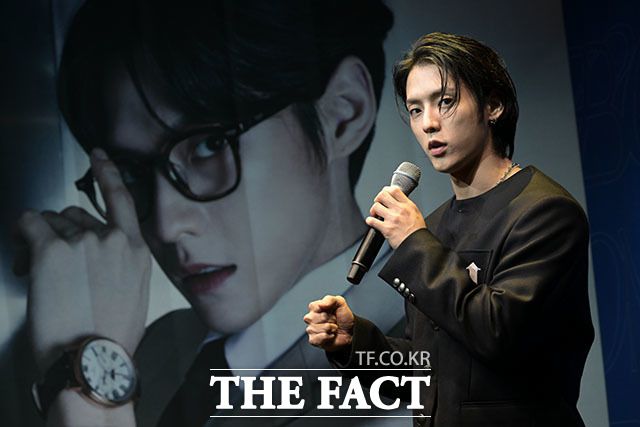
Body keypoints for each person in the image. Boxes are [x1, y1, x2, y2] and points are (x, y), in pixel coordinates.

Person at [14, 0, 402, 426]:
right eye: (130, 172)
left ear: (344, 111)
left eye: (209, 144)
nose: (166, 225)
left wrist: (88, 378)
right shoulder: (159, 350)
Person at [305, 32, 595, 426]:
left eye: (445, 101)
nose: (429, 123)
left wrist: (413, 244)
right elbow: (432, 370)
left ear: (493, 105)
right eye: (415, 109)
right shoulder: (435, 225)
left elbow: (497, 336)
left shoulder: (544, 213)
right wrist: (355, 342)